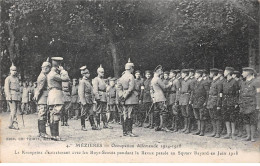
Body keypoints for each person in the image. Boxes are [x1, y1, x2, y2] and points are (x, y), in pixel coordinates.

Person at [47, 57, 70, 141]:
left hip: (52, 95)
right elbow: (66, 78)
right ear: (58, 65)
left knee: (52, 115)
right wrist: (63, 71)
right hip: (56, 95)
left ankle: (53, 135)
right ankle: (55, 135)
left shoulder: (50, 73)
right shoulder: (54, 74)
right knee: (56, 114)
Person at [118, 58, 139, 136]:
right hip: (130, 98)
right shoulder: (131, 76)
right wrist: (126, 95)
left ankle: (124, 131)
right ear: (131, 68)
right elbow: (131, 88)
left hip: (123, 97)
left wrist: (122, 96)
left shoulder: (122, 77)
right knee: (130, 114)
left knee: (124, 114)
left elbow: (119, 88)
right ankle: (129, 131)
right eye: (133, 68)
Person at [239, 67, 260, 142]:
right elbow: (241, 94)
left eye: (243, 72)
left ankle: (252, 137)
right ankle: (248, 136)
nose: (242, 74)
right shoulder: (243, 82)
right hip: (244, 104)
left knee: (252, 121)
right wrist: (240, 102)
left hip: (252, 104)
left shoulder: (256, 82)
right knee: (246, 120)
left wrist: (258, 105)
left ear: (248, 73)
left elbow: (258, 94)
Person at [33, 58, 51, 138]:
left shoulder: (42, 75)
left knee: (41, 115)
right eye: (45, 67)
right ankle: (42, 133)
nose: (46, 69)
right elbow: (39, 88)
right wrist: (36, 95)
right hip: (43, 98)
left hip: (42, 97)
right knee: (42, 115)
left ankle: (41, 132)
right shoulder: (43, 76)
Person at [150, 65, 172, 132]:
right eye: (161, 71)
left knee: (156, 112)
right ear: (158, 71)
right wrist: (170, 84)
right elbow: (164, 87)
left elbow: (151, 89)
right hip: (161, 97)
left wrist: (153, 97)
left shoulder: (153, 79)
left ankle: (157, 126)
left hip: (155, 98)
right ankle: (164, 127)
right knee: (164, 112)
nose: (162, 72)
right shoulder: (158, 79)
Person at [221, 67, 239, 140]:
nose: (224, 73)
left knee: (232, 118)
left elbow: (237, 93)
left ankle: (233, 134)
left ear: (228, 72)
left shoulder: (234, 81)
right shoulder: (224, 81)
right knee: (226, 117)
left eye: (225, 71)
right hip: (225, 101)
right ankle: (228, 133)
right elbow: (221, 92)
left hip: (232, 101)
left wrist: (236, 102)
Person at [190, 69, 210, 136]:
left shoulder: (204, 82)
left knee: (202, 116)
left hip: (201, 101)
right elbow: (193, 92)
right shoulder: (195, 82)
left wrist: (206, 102)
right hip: (195, 101)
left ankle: (202, 131)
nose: (195, 75)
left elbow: (207, 93)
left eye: (196, 74)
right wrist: (192, 100)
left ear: (199, 75)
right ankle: (198, 130)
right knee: (197, 117)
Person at [92, 65, 112, 129]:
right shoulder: (96, 79)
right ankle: (98, 124)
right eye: (101, 72)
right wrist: (97, 97)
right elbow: (95, 90)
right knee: (98, 111)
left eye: (103, 72)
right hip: (99, 97)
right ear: (98, 72)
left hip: (104, 96)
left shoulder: (103, 80)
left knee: (104, 111)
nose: (103, 73)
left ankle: (105, 124)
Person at [78, 66, 98, 131]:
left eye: (88, 73)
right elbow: (81, 92)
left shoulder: (88, 81)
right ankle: (82, 126)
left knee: (91, 113)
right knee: (83, 113)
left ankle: (93, 125)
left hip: (89, 99)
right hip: (85, 99)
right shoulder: (82, 81)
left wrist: (93, 99)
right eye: (87, 73)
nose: (88, 74)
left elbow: (91, 91)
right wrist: (83, 101)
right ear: (84, 74)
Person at [206, 68, 222, 138]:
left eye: (210, 73)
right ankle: (214, 131)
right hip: (211, 100)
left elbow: (219, 94)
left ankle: (218, 133)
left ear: (213, 74)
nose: (210, 75)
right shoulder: (213, 81)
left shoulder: (218, 82)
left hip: (215, 101)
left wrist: (218, 104)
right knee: (212, 117)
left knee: (217, 117)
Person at [4, 62, 21, 130]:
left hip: (16, 96)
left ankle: (10, 124)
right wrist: (8, 96)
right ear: (10, 71)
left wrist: (19, 96)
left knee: (14, 111)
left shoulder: (17, 79)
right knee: (13, 110)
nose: (14, 72)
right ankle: (15, 124)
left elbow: (18, 88)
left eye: (15, 70)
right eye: (13, 70)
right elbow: (6, 88)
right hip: (11, 95)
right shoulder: (8, 78)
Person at [179, 69, 193, 134]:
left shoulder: (190, 81)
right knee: (184, 113)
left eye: (182, 74)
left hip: (187, 97)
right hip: (182, 98)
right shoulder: (182, 81)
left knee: (188, 114)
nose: (181, 75)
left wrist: (190, 99)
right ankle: (185, 127)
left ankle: (188, 128)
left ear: (185, 74)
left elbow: (192, 91)